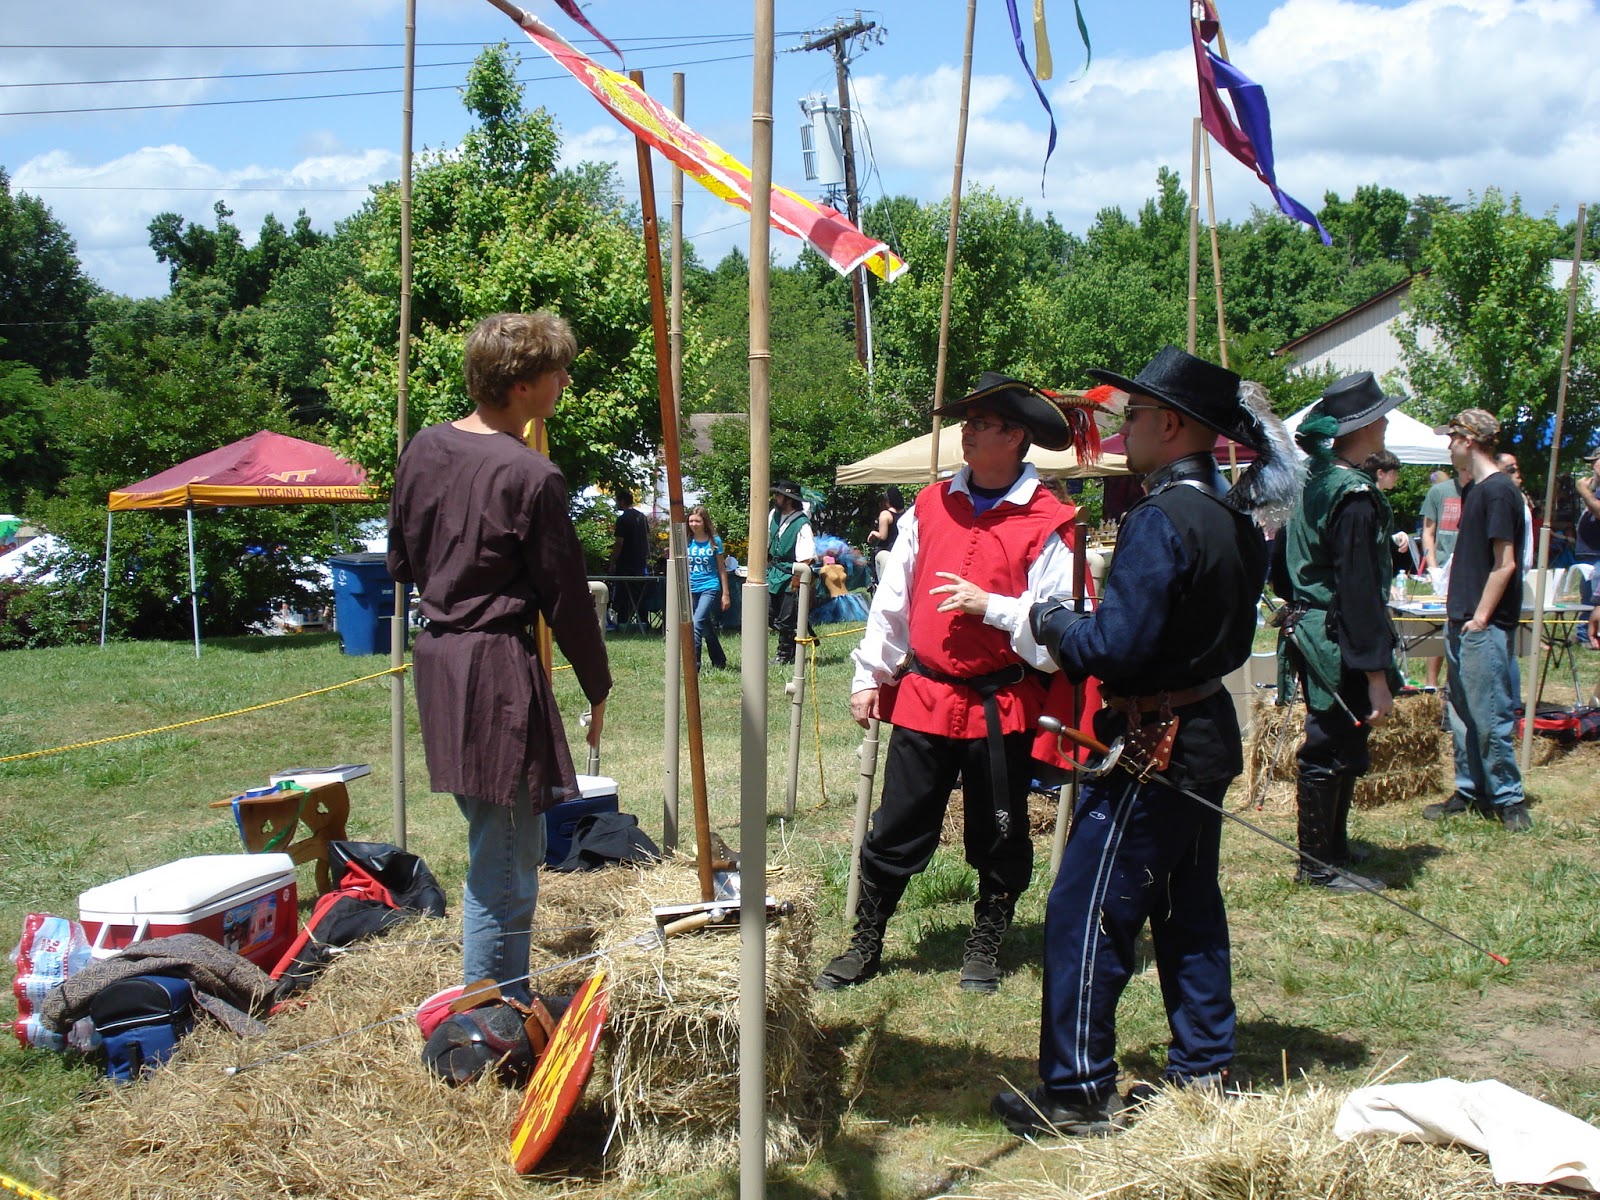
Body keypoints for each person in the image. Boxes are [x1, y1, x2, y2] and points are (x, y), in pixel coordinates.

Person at [990, 346, 1297, 1137]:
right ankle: (1203, 1068)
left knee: (1085, 909)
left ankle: (1080, 1089)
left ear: (1171, 425)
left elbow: (1115, 649)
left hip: (1158, 741)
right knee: (1188, 907)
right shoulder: (1233, 517)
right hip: (1203, 730)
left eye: (1133, 415)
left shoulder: (1164, 517)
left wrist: (1047, 619)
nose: (1123, 427)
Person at [817, 372, 1084, 996]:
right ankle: (867, 938)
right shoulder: (930, 504)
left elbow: (1058, 632)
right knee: (897, 823)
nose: (967, 433)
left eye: (982, 424)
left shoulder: (1051, 521)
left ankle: (987, 940)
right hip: (926, 695)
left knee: (1000, 828)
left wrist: (989, 605)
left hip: (1003, 703)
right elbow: (892, 600)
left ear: (1016, 437)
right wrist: (870, 674)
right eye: (967, 423)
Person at [387, 311, 611, 1005]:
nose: (566, 382)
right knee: (507, 862)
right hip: (491, 673)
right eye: (557, 373)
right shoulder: (532, 475)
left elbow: (400, 560)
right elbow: (565, 595)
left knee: (494, 837)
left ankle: (495, 1000)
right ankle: (490, 1018)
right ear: (520, 385)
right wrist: (597, 684)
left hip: (440, 658)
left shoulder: (423, 448)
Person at [1272, 373, 1403, 892]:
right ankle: (1317, 865)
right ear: (1365, 425)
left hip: (1314, 627)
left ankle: (1334, 850)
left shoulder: (1314, 479)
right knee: (1328, 745)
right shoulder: (1352, 494)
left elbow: (1282, 563)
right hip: (1333, 635)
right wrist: (1376, 672)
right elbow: (1359, 587)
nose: (1388, 422)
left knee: (1341, 739)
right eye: (1382, 416)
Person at [1424, 409, 1532, 831]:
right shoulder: (1473, 491)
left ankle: (1508, 798)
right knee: (1464, 715)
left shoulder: (1499, 492)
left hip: (1480, 624)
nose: (1448, 447)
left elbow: (1505, 563)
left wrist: (1482, 618)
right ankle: (1470, 790)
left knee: (1490, 715)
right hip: (1462, 618)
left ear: (1468, 440)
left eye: (1451, 439)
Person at [1420, 466, 1467, 688]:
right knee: (1437, 629)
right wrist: (1433, 568)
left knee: (1460, 629)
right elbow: (1428, 532)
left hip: (1468, 569)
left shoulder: (1481, 489)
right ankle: (1431, 685)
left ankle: (1453, 685)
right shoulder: (1439, 491)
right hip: (1442, 568)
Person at [767, 480, 815, 665]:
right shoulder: (774, 515)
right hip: (773, 572)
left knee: (786, 619)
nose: (775, 497)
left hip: (791, 574)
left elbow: (807, 557)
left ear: (788, 499)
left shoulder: (802, 523)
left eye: (779, 495)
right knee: (769, 615)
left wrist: (797, 582)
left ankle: (784, 654)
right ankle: (792, 646)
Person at [686, 504, 730, 670]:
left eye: (697, 521)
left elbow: (721, 568)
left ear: (704, 522)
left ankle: (694, 666)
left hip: (709, 586)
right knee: (705, 626)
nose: (694, 524)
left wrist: (725, 594)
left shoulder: (714, 541)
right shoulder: (686, 541)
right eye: (691, 521)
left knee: (695, 623)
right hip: (691, 587)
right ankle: (719, 660)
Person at [1362, 449, 1415, 573]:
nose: (1397, 477)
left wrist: (1395, 538)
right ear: (1381, 473)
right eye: (1394, 473)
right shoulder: (1369, 500)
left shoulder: (1378, 498)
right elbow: (1368, 544)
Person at [609, 488, 650, 631]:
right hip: (640, 562)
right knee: (639, 594)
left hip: (625, 563)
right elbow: (646, 539)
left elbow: (619, 542)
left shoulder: (623, 519)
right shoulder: (642, 517)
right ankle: (643, 622)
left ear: (622, 501)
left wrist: (613, 561)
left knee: (622, 594)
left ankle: (622, 623)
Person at [1496, 452, 1536, 572]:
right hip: (1508, 570)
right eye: (1511, 469)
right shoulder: (1500, 500)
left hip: (1520, 571)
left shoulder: (1520, 498)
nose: (1517, 474)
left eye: (1517, 469)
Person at [867, 485, 904, 582]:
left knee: (884, 582)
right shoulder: (906, 513)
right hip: (901, 551)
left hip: (887, 551)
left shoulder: (885, 514)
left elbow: (883, 536)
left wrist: (874, 533)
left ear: (888, 501)